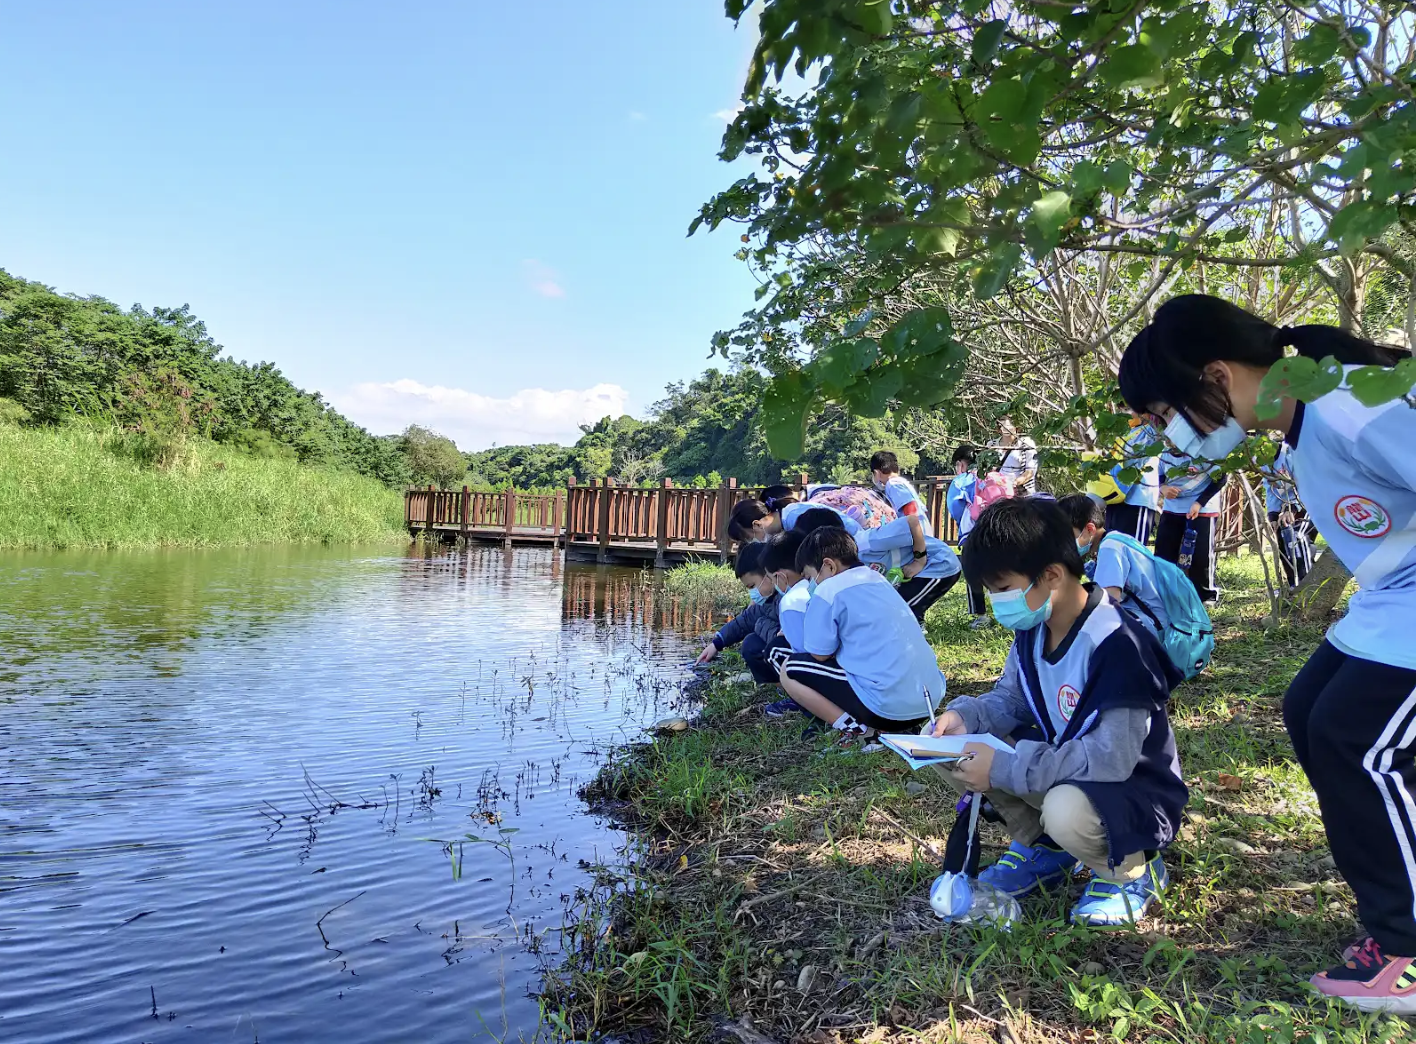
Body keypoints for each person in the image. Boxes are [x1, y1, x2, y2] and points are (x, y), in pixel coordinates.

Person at [1117, 291, 1416, 1009]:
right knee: (1309, 708)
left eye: (1164, 415)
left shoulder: (1352, 409)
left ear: (1215, 377)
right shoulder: (1304, 426)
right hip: (1390, 602)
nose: (1170, 436)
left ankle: (1406, 944)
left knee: (1355, 735)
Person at [929, 497, 1186, 925]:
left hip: (1133, 792)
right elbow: (1010, 700)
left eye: (1002, 588)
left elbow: (1111, 759)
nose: (997, 602)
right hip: (1071, 767)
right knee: (953, 747)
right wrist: (965, 717)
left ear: (1051, 575)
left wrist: (1005, 766)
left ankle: (1131, 871)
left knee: (1066, 810)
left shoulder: (1118, 644)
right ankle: (1046, 849)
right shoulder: (1035, 628)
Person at [778, 526, 947, 737]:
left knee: (790, 667)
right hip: (928, 704)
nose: (812, 584)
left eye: (811, 577)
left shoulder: (828, 590)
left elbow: (820, 654)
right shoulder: (879, 580)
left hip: (886, 710)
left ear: (828, 566)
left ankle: (855, 729)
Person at [794, 508, 962, 623]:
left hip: (938, 565)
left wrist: (919, 561)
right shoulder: (841, 560)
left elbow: (912, 522)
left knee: (899, 610)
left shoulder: (868, 542)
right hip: (910, 574)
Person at [1059, 493, 1168, 639]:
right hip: (1153, 618)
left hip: (1154, 627)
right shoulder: (1115, 538)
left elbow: (1107, 606)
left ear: (1090, 529)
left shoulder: (1110, 548)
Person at [696, 542, 781, 685]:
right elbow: (744, 621)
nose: (752, 593)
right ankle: (780, 688)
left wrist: (759, 624)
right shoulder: (767, 600)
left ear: (769, 574)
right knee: (751, 643)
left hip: (797, 658)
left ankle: (797, 695)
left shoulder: (789, 600)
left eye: (752, 586)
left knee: (754, 642)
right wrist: (716, 644)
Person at [1154, 447, 1225, 603]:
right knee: (1164, 552)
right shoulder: (1164, 453)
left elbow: (1221, 478)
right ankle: (1166, 594)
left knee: (1201, 554)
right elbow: (1159, 477)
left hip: (1202, 507)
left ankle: (1205, 596)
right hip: (1172, 508)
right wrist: (1163, 488)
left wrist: (1199, 503)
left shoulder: (1203, 450)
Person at [760, 530, 811, 718]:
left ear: (781, 576)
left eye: (772, 578)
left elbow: (804, 652)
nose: (773, 584)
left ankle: (805, 703)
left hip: (831, 670)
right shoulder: (817, 585)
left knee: (774, 651)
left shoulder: (791, 601)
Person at [948, 445, 993, 629]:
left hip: (972, 533)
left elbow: (955, 507)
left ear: (960, 464)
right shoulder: (991, 475)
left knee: (972, 572)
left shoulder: (961, 480)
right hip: (997, 528)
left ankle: (981, 615)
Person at [1261, 442, 1314, 588]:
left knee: (1295, 536)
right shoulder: (1262, 462)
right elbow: (1270, 488)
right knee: (1281, 534)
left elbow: (1306, 484)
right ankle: (1292, 584)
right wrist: (1272, 515)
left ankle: (1306, 582)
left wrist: (1292, 508)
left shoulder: (1291, 454)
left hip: (1308, 503)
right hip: (1285, 505)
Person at [1105, 420, 1162, 544]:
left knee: (1134, 550)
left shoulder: (1152, 429)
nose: (1125, 411)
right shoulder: (1124, 431)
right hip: (1115, 496)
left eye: (1128, 408)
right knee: (1113, 546)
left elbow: (1134, 459)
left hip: (1137, 499)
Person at [994, 415, 1039, 496]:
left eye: (1010, 423)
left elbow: (1030, 471)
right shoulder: (992, 445)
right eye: (1003, 422)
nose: (1006, 426)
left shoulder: (1026, 443)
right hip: (997, 493)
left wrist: (1013, 484)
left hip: (1021, 494)